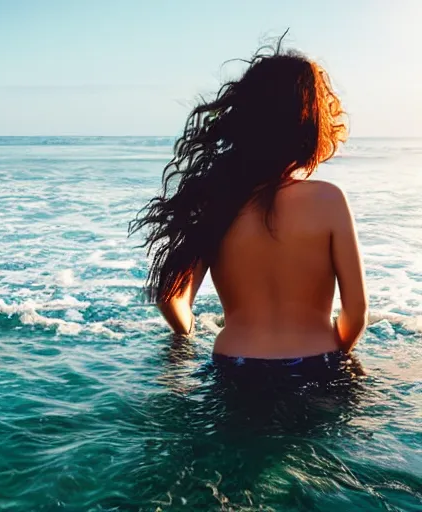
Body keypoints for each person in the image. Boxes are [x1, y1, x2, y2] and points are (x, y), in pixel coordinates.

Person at [130, 37, 368, 373]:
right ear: (312, 124)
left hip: (234, 366)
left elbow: (171, 298)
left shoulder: (215, 199)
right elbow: (357, 313)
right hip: (318, 366)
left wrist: (188, 332)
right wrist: (330, 354)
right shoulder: (329, 199)